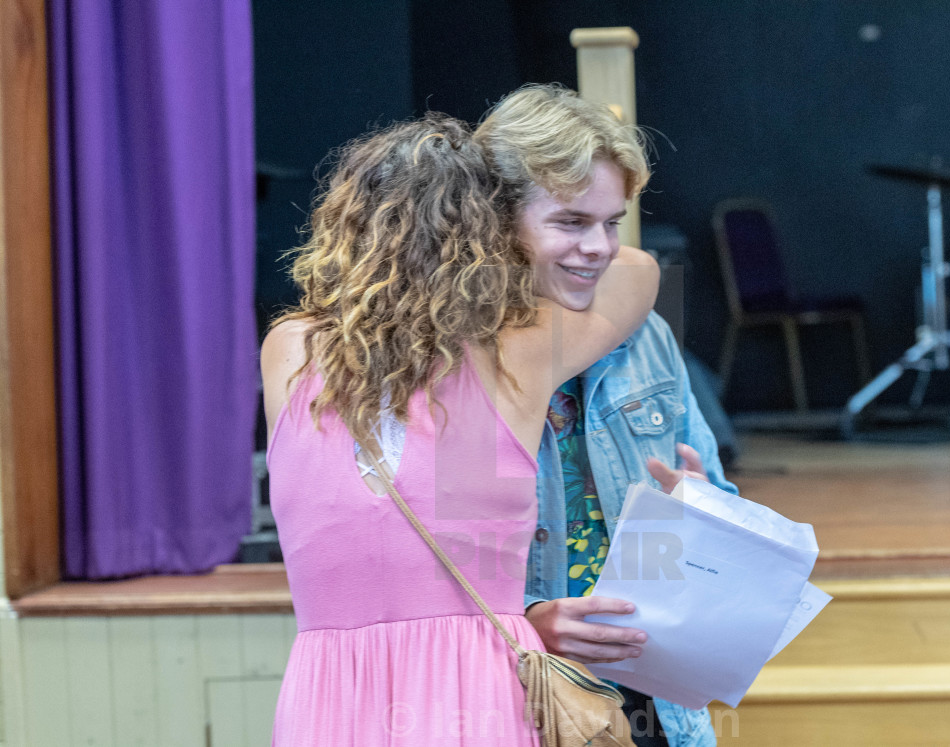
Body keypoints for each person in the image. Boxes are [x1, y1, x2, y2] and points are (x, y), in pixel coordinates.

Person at [261, 113, 659, 745]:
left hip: (326, 703)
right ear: (492, 242)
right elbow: (636, 271)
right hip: (474, 698)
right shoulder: (515, 355)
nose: (599, 243)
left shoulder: (289, 352)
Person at [476, 84, 739, 747]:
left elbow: (718, 508)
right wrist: (530, 617)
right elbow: (421, 565)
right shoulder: (454, 357)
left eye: (612, 221)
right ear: (494, 219)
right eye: (570, 222)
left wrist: (706, 516)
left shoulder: (643, 336)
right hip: (517, 697)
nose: (599, 246)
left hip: (654, 709)